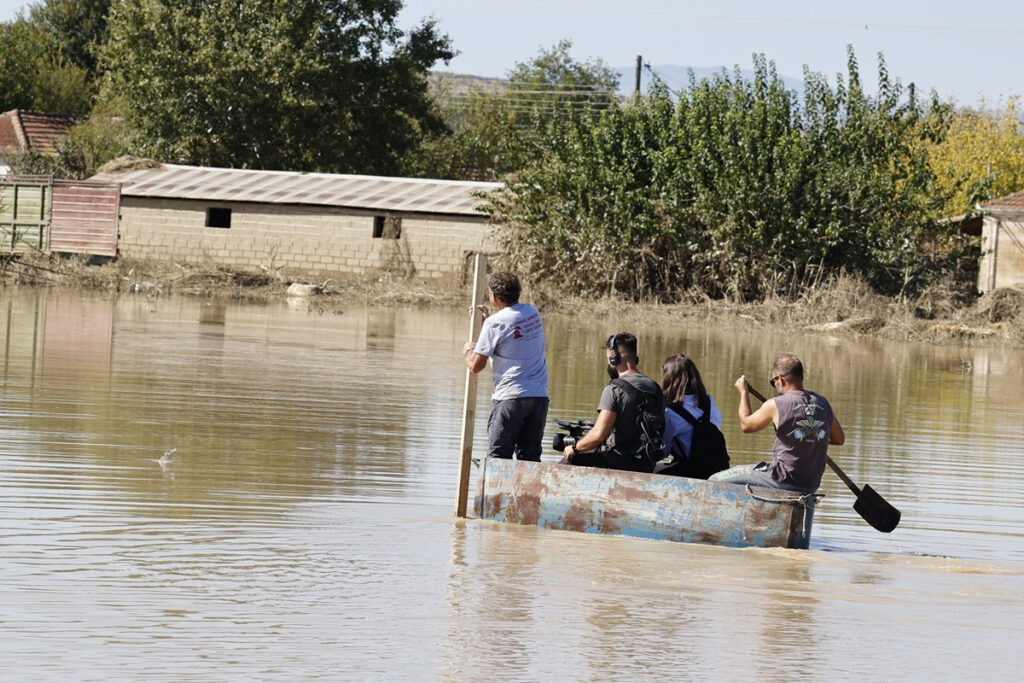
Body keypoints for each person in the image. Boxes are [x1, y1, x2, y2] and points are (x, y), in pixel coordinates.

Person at [710, 353, 845, 493]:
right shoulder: (823, 403)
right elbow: (839, 439)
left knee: (715, 480)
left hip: (782, 478)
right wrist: (810, 437)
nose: (775, 385)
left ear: (780, 379)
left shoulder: (775, 404)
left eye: (773, 382)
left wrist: (744, 393)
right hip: (810, 484)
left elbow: (746, 425)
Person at [463, 270, 549, 461]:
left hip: (511, 398)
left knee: (498, 458)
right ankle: (527, 492)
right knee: (530, 459)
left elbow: (476, 366)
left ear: (493, 296)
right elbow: (511, 334)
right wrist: (485, 321)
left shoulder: (495, 324)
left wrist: (468, 350)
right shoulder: (532, 312)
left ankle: (495, 492)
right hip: (538, 398)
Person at [561, 332, 665, 473]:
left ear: (614, 358)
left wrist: (574, 448)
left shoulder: (614, 389)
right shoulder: (655, 388)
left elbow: (599, 435)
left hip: (618, 463)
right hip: (646, 464)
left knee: (567, 460)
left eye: (608, 358)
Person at [658, 353, 729, 479]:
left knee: (651, 470)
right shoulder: (709, 402)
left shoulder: (670, 412)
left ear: (669, 380)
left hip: (691, 471)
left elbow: (663, 451)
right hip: (716, 469)